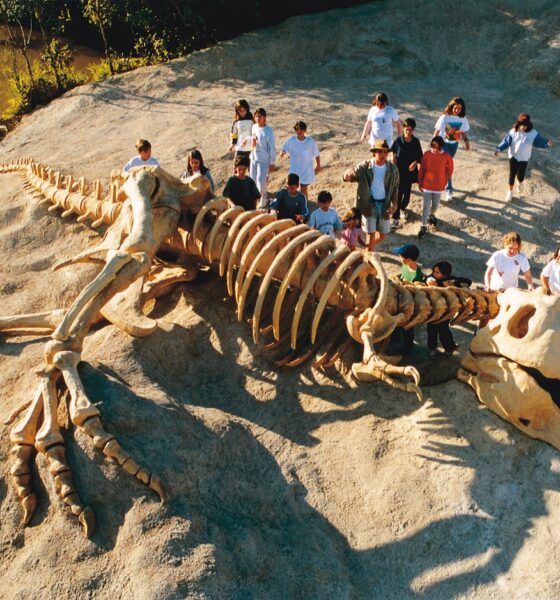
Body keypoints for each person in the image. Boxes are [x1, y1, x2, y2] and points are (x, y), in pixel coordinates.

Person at [342, 139, 399, 252]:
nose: (382, 154)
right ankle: (368, 260)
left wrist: (395, 203)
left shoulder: (393, 169)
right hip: (368, 206)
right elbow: (350, 176)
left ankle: (368, 247)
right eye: (379, 151)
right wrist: (346, 175)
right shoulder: (364, 167)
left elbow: (396, 188)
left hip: (384, 206)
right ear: (374, 153)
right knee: (371, 234)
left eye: (384, 152)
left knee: (382, 235)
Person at [494, 113, 554, 201]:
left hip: (524, 158)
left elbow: (539, 142)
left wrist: (547, 143)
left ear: (528, 124)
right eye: (521, 124)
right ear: (519, 123)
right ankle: (510, 192)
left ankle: (520, 183)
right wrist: (499, 149)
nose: (523, 127)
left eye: (525, 125)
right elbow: (506, 141)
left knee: (520, 176)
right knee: (512, 174)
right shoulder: (513, 131)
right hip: (513, 156)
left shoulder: (533, 133)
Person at [433, 96, 470, 201]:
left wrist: (466, 141)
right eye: (455, 108)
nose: (457, 110)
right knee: (447, 165)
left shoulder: (462, 118)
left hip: (454, 145)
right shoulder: (444, 117)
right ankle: (448, 190)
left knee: (444, 166)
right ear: (451, 106)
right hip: (443, 144)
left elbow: (463, 131)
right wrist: (433, 144)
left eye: (459, 108)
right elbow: (437, 131)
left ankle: (440, 183)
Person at [417, 136, 453, 239]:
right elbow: (422, 169)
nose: (435, 149)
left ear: (442, 147)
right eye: (433, 146)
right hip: (427, 186)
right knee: (425, 207)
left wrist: (445, 179)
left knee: (435, 206)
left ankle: (431, 215)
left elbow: (449, 169)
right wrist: (420, 182)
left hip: (438, 186)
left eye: (438, 147)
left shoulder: (446, 156)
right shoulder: (427, 155)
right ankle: (423, 226)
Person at [391, 117, 423, 229]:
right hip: (399, 173)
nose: (408, 132)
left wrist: (415, 163)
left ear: (413, 130)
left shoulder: (416, 142)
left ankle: (403, 208)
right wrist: (393, 159)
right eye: (406, 129)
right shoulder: (398, 141)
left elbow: (420, 158)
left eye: (410, 130)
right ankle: (395, 218)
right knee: (398, 196)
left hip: (410, 174)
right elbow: (393, 152)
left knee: (407, 197)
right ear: (403, 129)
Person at [391, 243, 422, 355]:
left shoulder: (417, 274)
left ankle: (408, 346)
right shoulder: (405, 266)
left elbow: (415, 289)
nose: (399, 258)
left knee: (408, 325)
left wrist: (404, 284)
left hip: (409, 303)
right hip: (399, 298)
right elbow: (403, 275)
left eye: (400, 256)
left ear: (408, 259)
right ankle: (395, 339)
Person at [425, 260, 458, 359]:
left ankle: (449, 348)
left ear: (445, 275)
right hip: (432, 311)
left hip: (444, 311)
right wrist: (428, 279)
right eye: (434, 271)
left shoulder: (449, 280)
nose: (434, 274)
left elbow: (466, 281)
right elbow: (426, 278)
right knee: (431, 331)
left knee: (444, 331)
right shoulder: (432, 278)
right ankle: (432, 349)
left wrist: (451, 286)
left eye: (437, 272)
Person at [280, 121, 321, 198]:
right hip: (294, 170)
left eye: (301, 129)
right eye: (296, 129)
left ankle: (305, 205)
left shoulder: (310, 141)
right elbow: (284, 148)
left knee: (304, 189)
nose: (298, 131)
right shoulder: (292, 140)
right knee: (292, 189)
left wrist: (318, 166)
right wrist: (282, 152)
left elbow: (317, 154)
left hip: (306, 170)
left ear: (305, 130)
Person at [250, 107, 277, 208]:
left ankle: (264, 197)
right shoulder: (254, 127)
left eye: (259, 116)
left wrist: (272, 162)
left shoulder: (268, 131)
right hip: (253, 157)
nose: (257, 118)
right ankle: (254, 198)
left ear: (264, 117)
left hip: (264, 160)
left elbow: (272, 148)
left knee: (261, 181)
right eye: (256, 116)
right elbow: (253, 138)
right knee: (252, 179)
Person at [228, 99, 254, 165]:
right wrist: (232, 143)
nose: (242, 112)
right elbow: (233, 133)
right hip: (239, 148)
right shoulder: (236, 121)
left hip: (250, 148)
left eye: (244, 110)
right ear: (237, 111)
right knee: (237, 166)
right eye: (240, 111)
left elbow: (254, 132)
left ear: (247, 109)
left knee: (250, 167)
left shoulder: (251, 120)